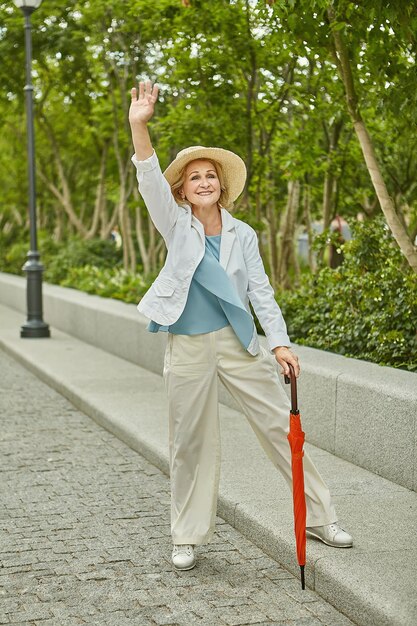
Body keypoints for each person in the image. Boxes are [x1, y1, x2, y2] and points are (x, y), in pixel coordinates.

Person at [129, 80, 353, 571]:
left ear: (221, 185)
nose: (204, 182)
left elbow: (261, 291)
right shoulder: (174, 222)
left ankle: (319, 515)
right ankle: (186, 535)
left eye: (211, 175)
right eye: (194, 178)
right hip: (187, 346)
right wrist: (138, 125)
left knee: (280, 428)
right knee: (190, 440)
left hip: (239, 344)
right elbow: (147, 175)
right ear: (182, 190)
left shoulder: (243, 233)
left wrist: (280, 345)